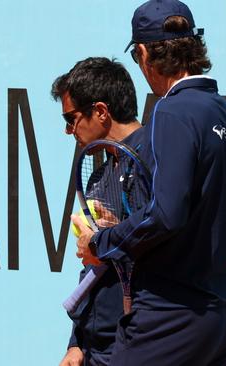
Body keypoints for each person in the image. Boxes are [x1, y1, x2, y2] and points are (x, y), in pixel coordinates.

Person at [72, 1, 226, 365]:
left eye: (136, 57)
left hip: (172, 317)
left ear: (145, 54)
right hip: (224, 317)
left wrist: (102, 241)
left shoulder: (171, 111)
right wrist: (221, 248)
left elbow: (166, 214)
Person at [51, 57, 143, 366]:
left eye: (71, 118)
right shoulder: (99, 176)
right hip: (96, 349)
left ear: (101, 111)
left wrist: (115, 239)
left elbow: (165, 250)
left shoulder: (155, 163)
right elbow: (92, 269)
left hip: (139, 342)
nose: (68, 130)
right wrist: (77, 341)